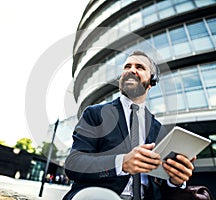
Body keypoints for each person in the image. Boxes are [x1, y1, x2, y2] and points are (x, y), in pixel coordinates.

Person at [63, 50, 196, 200]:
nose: (131, 70)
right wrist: (122, 163)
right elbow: (74, 163)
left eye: (139, 67)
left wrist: (176, 181)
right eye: (127, 67)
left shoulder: (159, 129)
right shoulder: (95, 114)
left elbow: (161, 186)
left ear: (151, 81)